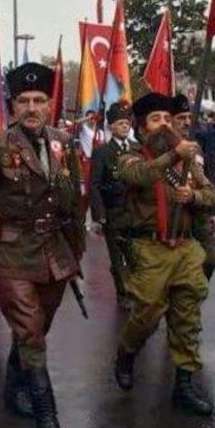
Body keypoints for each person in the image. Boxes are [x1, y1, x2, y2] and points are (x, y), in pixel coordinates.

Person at [0, 62, 85, 428]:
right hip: (10, 252)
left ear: (49, 104)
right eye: (24, 101)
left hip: (55, 254)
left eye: (39, 100)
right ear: (13, 107)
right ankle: (48, 417)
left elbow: (73, 204)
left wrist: (76, 252)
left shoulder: (64, 143)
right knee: (29, 330)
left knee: (35, 330)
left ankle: (14, 391)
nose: (32, 107)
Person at [113, 92, 215, 417]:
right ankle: (127, 352)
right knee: (147, 312)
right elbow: (139, 176)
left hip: (185, 247)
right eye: (156, 120)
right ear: (142, 127)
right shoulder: (131, 156)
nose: (164, 125)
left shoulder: (186, 161)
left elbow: (212, 195)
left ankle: (184, 385)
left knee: (188, 316)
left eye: (167, 119)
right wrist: (173, 155)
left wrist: (195, 196)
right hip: (149, 248)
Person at [90, 102, 136, 308]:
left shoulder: (136, 149)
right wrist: (99, 215)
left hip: (135, 211)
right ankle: (123, 293)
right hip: (114, 210)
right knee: (118, 258)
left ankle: (136, 289)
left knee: (136, 254)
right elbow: (95, 185)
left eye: (127, 123)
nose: (124, 126)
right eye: (120, 123)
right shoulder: (103, 152)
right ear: (111, 127)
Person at [171, 93, 215, 280]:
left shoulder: (195, 148)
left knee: (209, 262)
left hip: (198, 215)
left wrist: (212, 211)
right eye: (181, 118)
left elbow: (207, 181)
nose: (187, 122)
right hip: (175, 217)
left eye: (189, 117)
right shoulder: (163, 149)